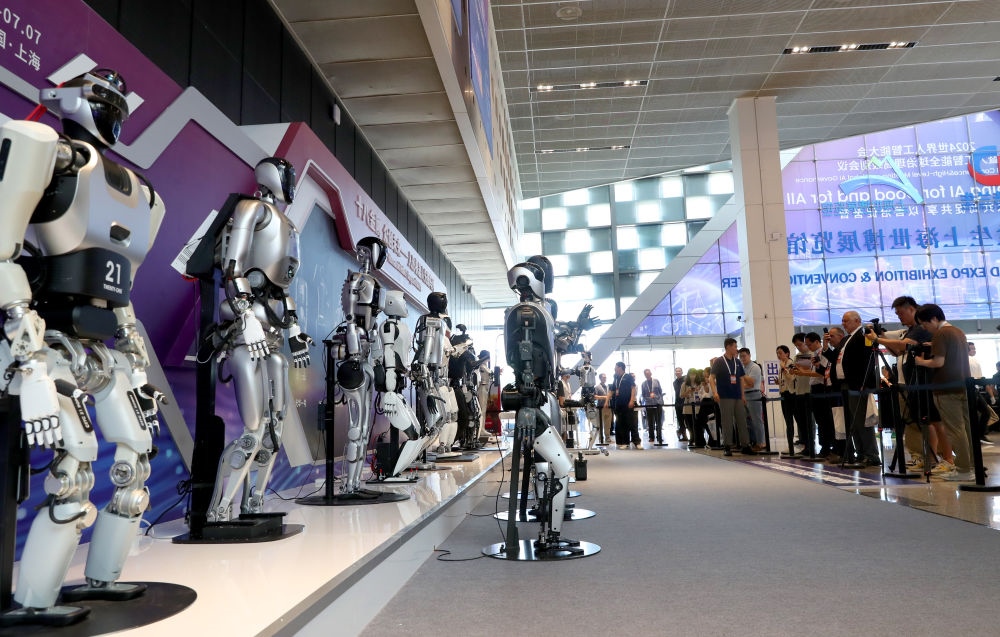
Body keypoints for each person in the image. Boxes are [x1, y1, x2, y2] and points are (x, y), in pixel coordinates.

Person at [872, 295, 937, 472]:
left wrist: (878, 339)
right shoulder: (911, 330)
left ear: (911, 309)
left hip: (920, 382)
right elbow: (897, 352)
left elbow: (903, 346)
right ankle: (920, 457)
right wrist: (882, 336)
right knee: (912, 422)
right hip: (908, 382)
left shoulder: (920, 329)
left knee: (925, 422)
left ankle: (931, 458)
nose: (899, 317)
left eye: (901, 313)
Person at [914, 304, 974, 481]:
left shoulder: (940, 334)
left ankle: (963, 470)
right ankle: (971, 465)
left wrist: (920, 362)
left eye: (925, 324)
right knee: (966, 428)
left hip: (946, 388)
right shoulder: (957, 331)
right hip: (963, 385)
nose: (925, 328)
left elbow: (938, 362)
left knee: (954, 430)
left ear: (934, 319)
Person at [831, 311, 880, 466]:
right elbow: (836, 358)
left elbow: (867, 359)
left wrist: (863, 382)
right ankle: (860, 453)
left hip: (858, 384)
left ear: (857, 320)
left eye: (846, 321)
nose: (843, 323)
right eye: (842, 321)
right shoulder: (846, 339)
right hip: (845, 384)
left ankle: (871, 455)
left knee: (861, 420)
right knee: (852, 422)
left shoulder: (863, 335)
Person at [709, 338, 754, 456]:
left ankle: (745, 445)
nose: (736, 349)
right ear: (728, 347)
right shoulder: (719, 361)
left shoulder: (737, 362)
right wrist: (715, 392)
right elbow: (711, 378)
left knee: (742, 420)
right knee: (727, 421)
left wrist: (743, 395)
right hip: (725, 396)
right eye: (735, 346)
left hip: (737, 395)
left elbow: (741, 379)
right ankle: (727, 446)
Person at [738, 348, 766, 451]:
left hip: (754, 395)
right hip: (743, 396)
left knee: (756, 420)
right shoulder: (742, 368)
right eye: (740, 357)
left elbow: (751, 383)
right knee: (746, 422)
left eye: (744, 356)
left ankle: (761, 442)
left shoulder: (755, 367)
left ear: (749, 355)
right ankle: (751, 442)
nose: (742, 358)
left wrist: (742, 382)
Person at [611, 362, 640, 449]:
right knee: (622, 424)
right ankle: (625, 442)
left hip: (628, 404)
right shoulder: (616, 378)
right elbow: (612, 390)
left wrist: (632, 400)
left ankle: (637, 442)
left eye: (616, 367)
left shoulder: (628, 377)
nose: (615, 369)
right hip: (619, 405)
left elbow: (633, 388)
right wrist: (607, 401)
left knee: (632, 423)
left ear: (620, 368)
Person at [776, 344, 798, 455]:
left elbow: (791, 378)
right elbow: (784, 381)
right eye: (777, 353)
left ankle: (799, 445)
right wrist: (778, 382)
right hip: (784, 394)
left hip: (792, 395)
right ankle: (790, 446)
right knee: (788, 421)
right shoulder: (782, 365)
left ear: (787, 353)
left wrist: (784, 369)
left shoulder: (791, 363)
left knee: (794, 420)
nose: (778, 355)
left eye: (780, 353)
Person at [641, 368, 665, 444]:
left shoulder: (656, 381)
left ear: (651, 373)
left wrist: (657, 397)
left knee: (658, 421)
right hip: (649, 404)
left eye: (648, 373)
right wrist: (649, 398)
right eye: (646, 374)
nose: (647, 375)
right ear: (644, 375)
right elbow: (643, 395)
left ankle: (659, 436)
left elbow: (660, 392)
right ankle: (651, 437)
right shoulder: (643, 384)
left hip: (657, 403)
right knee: (650, 422)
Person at [595, 372, 611, 446]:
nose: (605, 378)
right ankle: (600, 437)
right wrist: (605, 397)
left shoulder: (608, 387)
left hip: (608, 407)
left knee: (608, 423)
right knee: (600, 424)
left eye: (605, 377)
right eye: (603, 377)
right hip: (600, 407)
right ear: (600, 378)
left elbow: (610, 396)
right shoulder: (597, 387)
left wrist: (608, 397)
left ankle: (607, 437)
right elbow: (595, 397)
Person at [672, 367, 687, 441]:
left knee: (687, 420)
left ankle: (680, 432)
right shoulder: (674, 382)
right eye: (676, 371)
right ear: (675, 373)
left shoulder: (685, 380)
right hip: (677, 403)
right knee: (680, 420)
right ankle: (684, 436)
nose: (678, 372)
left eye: (679, 371)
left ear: (682, 372)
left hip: (685, 402)